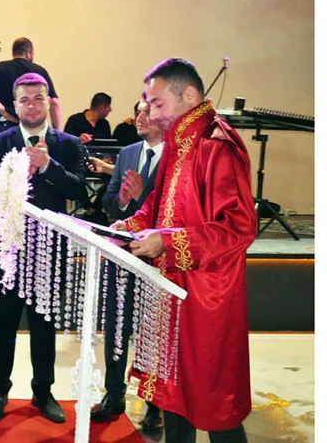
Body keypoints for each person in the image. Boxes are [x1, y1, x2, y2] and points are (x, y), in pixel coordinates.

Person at [114, 58, 256, 443]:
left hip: (207, 295)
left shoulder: (217, 144)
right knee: (173, 396)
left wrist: (169, 241)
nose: (150, 112)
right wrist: (127, 226)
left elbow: (239, 226)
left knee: (215, 402)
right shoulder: (179, 140)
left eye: (157, 103)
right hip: (171, 290)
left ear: (189, 95)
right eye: (148, 103)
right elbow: (158, 205)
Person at [0, 72, 87, 424]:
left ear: (48, 102)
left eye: (38, 98)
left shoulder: (68, 144)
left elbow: (79, 191)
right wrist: (18, 174)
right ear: (15, 105)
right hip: (7, 251)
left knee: (44, 327)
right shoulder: (0, 141)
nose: (31, 105)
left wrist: (48, 166)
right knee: (3, 327)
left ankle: (43, 392)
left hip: (49, 251)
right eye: (24, 100)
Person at [89, 97, 166, 432]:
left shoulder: (178, 157)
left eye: (148, 112)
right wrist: (121, 200)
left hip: (158, 260)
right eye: (138, 112)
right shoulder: (127, 153)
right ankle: (114, 393)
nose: (140, 117)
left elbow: (175, 212)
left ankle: (155, 404)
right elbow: (108, 202)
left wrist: (141, 196)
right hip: (122, 255)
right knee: (116, 325)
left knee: (153, 331)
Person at [0, 37, 61, 133]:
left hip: (3, 127)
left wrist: (4, 112)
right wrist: (57, 133)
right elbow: (54, 103)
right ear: (28, 52)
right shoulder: (40, 71)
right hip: (33, 128)